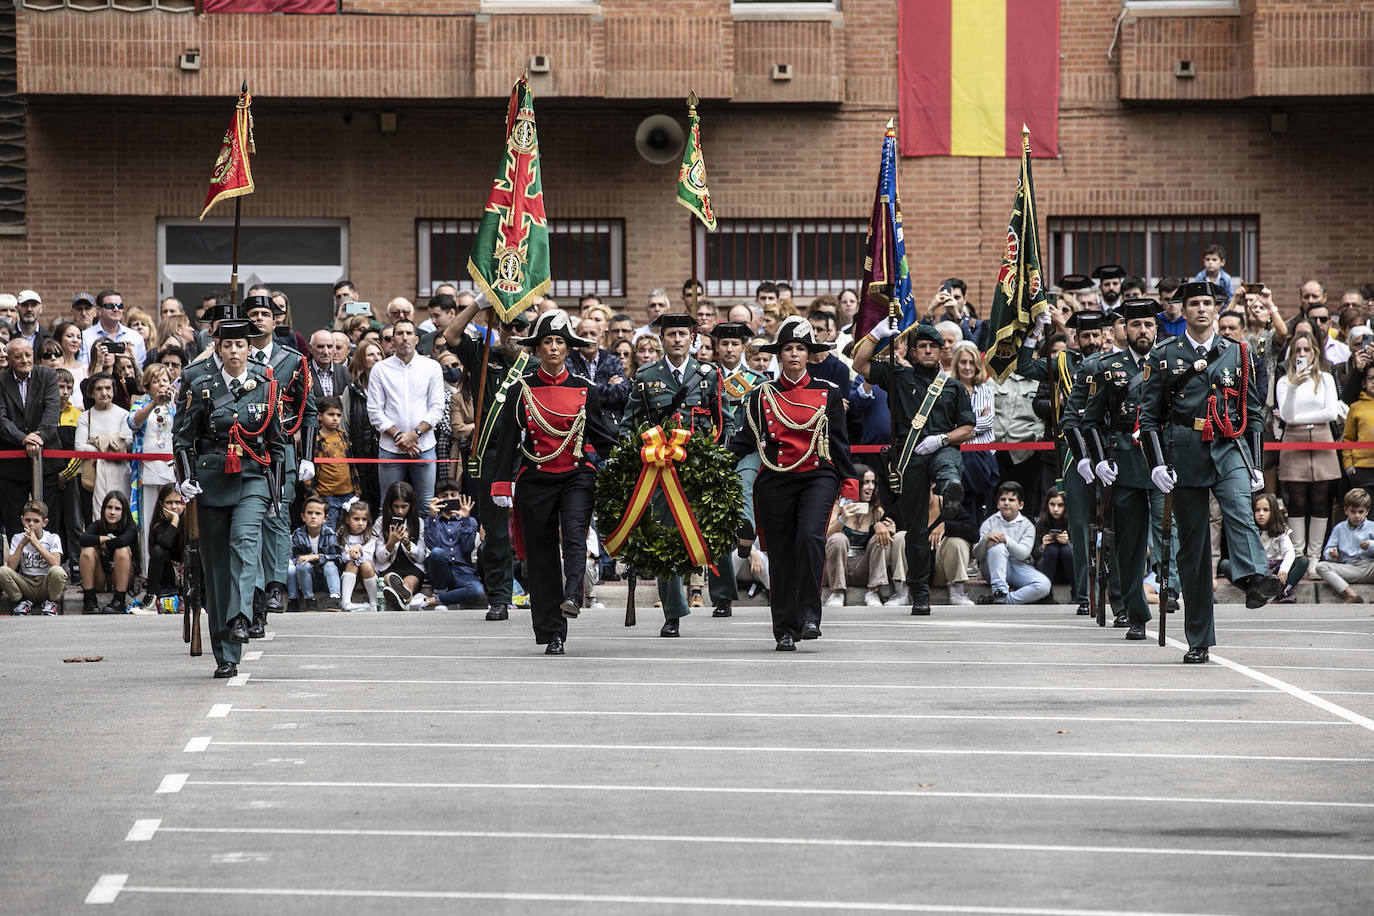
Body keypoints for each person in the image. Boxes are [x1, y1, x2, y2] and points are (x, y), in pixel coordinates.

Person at [1140, 281, 1281, 664]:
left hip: (1228, 444)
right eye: (1194, 303)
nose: (1202, 309)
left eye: (1208, 303)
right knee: (1194, 548)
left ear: (1217, 309)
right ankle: (1199, 638)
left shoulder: (1238, 352)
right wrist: (1157, 465)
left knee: (1239, 507)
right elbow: (1149, 416)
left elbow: (1253, 413)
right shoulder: (1165, 353)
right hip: (1183, 450)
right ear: (1182, 310)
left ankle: (1253, 579)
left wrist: (1254, 461)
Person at [490, 310, 617, 654]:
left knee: (576, 535)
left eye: (560, 341)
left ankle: (574, 593)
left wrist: (615, 463)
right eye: (547, 341)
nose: (554, 348)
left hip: (576, 475)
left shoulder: (584, 390)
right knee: (541, 556)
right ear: (537, 348)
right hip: (535, 478)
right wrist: (501, 483)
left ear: (568, 347)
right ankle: (552, 633)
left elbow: (605, 436)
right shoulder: (521, 390)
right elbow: (506, 441)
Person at [729, 316, 858, 650]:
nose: (795, 354)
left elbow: (840, 443)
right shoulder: (761, 395)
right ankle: (785, 628)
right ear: (780, 354)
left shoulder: (828, 392)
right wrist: (713, 466)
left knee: (810, 537)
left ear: (809, 353)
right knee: (782, 554)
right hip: (776, 478)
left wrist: (849, 484)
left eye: (801, 348)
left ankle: (809, 616)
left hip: (818, 474)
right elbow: (744, 441)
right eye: (788, 348)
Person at [172, 315, 288, 679]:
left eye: (240, 345)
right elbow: (182, 437)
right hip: (211, 479)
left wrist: (278, 490)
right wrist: (185, 478)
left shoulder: (266, 385)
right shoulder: (200, 383)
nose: (235, 351)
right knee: (217, 568)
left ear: (249, 348)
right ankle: (226, 652)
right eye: (227, 345)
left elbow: (277, 443)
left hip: (252, 477)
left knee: (244, 541)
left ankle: (241, 616)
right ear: (218, 349)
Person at [852, 322, 973, 616]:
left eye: (934, 346)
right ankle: (920, 594)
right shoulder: (899, 377)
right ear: (913, 351)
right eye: (923, 346)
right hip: (909, 458)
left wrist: (942, 438)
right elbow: (859, 363)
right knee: (916, 532)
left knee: (947, 460)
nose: (929, 350)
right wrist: (878, 334)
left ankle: (949, 490)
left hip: (940, 446)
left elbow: (968, 428)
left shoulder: (953, 387)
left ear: (942, 350)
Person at [618, 312, 725, 634]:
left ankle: (721, 594)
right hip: (660, 468)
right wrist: (631, 455)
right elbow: (630, 421)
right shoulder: (646, 375)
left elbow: (723, 420)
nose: (677, 340)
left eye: (683, 334)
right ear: (661, 339)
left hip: (698, 466)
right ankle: (673, 614)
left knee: (703, 531)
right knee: (665, 538)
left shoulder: (709, 374)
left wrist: (718, 455)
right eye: (671, 335)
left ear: (693, 338)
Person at [442, 300, 534, 623]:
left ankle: (540, 591)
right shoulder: (484, 357)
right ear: (497, 327)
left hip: (530, 455)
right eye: (507, 325)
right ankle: (499, 597)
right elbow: (451, 334)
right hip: (492, 456)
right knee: (494, 532)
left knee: (535, 528)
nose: (512, 332)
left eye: (519, 326)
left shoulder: (536, 366)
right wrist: (479, 305)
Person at [1074, 298, 1161, 638]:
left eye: (1149, 324)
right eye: (1136, 325)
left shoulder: (1172, 361)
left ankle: (1172, 592)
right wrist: (1098, 460)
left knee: (1172, 535)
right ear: (1125, 329)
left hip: (1164, 461)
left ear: (1157, 327)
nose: (1143, 330)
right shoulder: (1108, 367)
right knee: (1129, 543)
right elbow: (1091, 420)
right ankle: (1134, 612)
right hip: (1125, 459)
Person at [243, 294, 317, 633]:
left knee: (277, 520)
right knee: (249, 528)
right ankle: (255, 600)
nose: (259, 319)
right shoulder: (234, 359)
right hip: (244, 452)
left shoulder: (294, 360)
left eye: (265, 314)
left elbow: (310, 411)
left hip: (281, 452)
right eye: (253, 314)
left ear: (276, 321)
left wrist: (308, 458)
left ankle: (274, 586)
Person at [1275, 330, 1342, 561]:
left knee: (1321, 498)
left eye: (1306, 349)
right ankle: (1297, 555)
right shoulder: (1284, 381)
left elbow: (1331, 412)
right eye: (1298, 350)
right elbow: (1287, 415)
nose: (1302, 354)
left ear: (1315, 353)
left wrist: (1305, 417)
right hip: (1294, 439)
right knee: (1297, 499)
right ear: (1292, 353)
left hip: (1322, 438)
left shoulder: (1326, 378)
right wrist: (1294, 387)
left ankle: (1314, 557)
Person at [368, 318, 445, 516]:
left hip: (424, 445)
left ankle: (425, 547)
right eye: (400, 334)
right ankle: (388, 546)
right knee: (388, 502)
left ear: (416, 339)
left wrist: (415, 434)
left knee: (427, 504)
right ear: (392, 340)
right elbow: (375, 412)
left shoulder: (432, 367)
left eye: (408, 333)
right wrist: (399, 436)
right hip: (390, 447)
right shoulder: (380, 369)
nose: (404, 338)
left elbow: (437, 408)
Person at [0, 338, 61, 539]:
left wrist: (38, 438)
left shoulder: (48, 376)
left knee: (48, 516)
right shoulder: (1, 380)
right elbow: (1, 419)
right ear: (9, 359)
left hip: (46, 460)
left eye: (28, 355)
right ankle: (18, 565)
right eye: (18, 356)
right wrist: (23, 439)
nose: (24, 360)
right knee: (13, 518)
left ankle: (51, 562)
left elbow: (52, 413)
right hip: (13, 463)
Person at [126, 363, 177, 574]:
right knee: (148, 523)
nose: (161, 384)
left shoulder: (177, 404)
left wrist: (174, 401)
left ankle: (173, 572)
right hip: (146, 470)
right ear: (148, 385)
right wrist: (154, 403)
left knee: (173, 519)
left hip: (171, 470)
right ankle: (149, 573)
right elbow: (133, 423)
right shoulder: (140, 403)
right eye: (156, 381)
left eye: (164, 380)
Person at [823, 464, 896, 607]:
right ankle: (837, 592)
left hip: (861, 568)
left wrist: (888, 531)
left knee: (879, 539)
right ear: (855, 484)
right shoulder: (838, 506)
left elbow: (885, 538)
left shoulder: (876, 510)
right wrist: (842, 519)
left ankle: (873, 592)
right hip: (837, 567)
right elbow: (827, 537)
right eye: (866, 482)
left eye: (873, 482)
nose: (870, 487)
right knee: (838, 538)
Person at [972, 481, 1051, 605]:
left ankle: (1005, 600)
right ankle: (1000, 591)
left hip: (1018, 566)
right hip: (992, 569)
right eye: (1003, 499)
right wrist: (986, 539)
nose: (1006, 503)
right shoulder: (989, 523)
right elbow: (977, 555)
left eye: (1011, 500)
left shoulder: (1027, 526)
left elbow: (1023, 554)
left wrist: (1006, 540)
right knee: (997, 548)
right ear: (998, 504)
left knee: (1044, 585)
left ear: (1020, 505)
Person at [1219, 492, 1305, 604]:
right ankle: (1254, 592)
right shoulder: (1248, 531)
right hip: (1255, 570)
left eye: (1265, 510)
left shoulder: (1281, 531)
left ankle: (1283, 591)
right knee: (1225, 564)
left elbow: (1289, 552)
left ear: (1273, 511)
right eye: (1257, 510)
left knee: (1302, 561)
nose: (1261, 514)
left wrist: (1284, 569)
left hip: (1276, 570)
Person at [421, 482, 484, 610]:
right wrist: (433, 517)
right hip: (440, 571)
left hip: (463, 572)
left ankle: (435, 600)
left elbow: (467, 548)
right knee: (437, 553)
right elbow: (433, 547)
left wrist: (465, 518)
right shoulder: (431, 520)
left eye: (453, 495)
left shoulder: (469, 521)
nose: (449, 498)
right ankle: (440, 591)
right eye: (444, 495)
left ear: (459, 497)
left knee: (477, 590)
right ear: (437, 498)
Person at [75, 373, 130, 517]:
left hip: (119, 472)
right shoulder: (85, 416)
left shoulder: (124, 415)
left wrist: (96, 440)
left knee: (121, 513)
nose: (104, 393)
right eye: (99, 389)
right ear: (92, 393)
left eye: (108, 388)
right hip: (93, 474)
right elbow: (80, 447)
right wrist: (112, 444)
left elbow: (127, 443)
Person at [0, 499, 66, 616]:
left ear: (44, 522)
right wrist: (22, 544)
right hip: (26, 583)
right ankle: (21, 603)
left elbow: (56, 563)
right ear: (22, 520)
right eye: (28, 520)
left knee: (58, 571)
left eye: (36, 521)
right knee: (2, 571)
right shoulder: (17, 538)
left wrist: (36, 544)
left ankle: (51, 603)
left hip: (46, 583)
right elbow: (11, 567)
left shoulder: (53, 538)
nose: (31, 524)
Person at [77, 490, 138, 615]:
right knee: (87, 551)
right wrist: (103, 539)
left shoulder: (130, 527)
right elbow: (82, 539)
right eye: (109, 507)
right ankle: (89, 600)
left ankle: (119, 601)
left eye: (117, 509)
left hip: (123, 579)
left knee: (122, 550)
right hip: (101, 579)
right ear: (104, 509)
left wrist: (104, 543)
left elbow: (122, 541)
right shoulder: (97, 525)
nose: (112, 512)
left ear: (124, 511)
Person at [341, 338, 383, 515]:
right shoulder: (352, 390)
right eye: (371, 354)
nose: (376, 358)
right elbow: (343, 426)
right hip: (359, 455)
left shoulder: (392, 386)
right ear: (361, 359)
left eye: (379, 353)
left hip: (385, 454)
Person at [374, 480, 428, 611]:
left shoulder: (418, 522)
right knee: (390, 577)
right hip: (388, 565)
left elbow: (421, 557)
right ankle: (405, 601)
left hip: (412, 565)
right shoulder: (381, 523)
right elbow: (380, 558)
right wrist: (390, 543)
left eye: (404, 506)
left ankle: (400, 598)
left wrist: (407, 543)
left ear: (411, 505)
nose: (399, 511)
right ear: (389, 505)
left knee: (407, 586)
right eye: (396, 506)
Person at [1314, 487, 1374, 603]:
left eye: (1360, 512)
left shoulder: (1372, 527)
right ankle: (1352, 594)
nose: (1357, 516)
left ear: (1367, 511)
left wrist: (1371, 545)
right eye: (1353, 512)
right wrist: (1332, 553)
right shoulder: (1339, 528)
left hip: (1370, 567)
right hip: (1350, 568)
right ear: (1346, 511)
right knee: (1321, 566)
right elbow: (1328, 552)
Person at [288, 494, 343, 612]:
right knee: (302, 564)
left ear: (325, 518)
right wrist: (304, 559)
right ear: (303, 516)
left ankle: (335, 599)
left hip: (325, 577)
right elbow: (295, 558)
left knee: (330, 564)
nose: (313, 516)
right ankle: (309, 599)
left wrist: (317, 557)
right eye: (309, 513)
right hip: (307, 577)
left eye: (318, 514)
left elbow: (339, 558)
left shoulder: (330, 534)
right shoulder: (298, 535)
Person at [312, 396, 359, 529]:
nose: (335, 418)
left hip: (348, 494)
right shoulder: (316, 439)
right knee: (329, 530)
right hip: (326, 495)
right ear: (319, 416)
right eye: (331, 414)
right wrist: (312, 493)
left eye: (338, 415)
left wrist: (357, 490)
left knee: (347, 530)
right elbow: (310, 470)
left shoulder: (343, 436)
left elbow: (351, 465)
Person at [138, 483, 184, 613]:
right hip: (169, 576)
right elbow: (165, 543)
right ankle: (150, 599)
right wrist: (174, 521)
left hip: (188, 574)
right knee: (159, 550)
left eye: (178, 502)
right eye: (169, 502)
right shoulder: (159, 525)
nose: (174, 507)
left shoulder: (191, 523)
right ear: (161, 504)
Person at [337, 499, 379, 612]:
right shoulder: (341, 534)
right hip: (348, 571)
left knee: (365, 564)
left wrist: (359, 549)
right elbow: (341, 556)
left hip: (368, 572)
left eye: (364, 519)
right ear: (347, 519)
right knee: (352, 563)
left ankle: (374, 603)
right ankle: (346, 602)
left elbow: (370, 556)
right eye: (356, 519)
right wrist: (351, 555)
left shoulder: (371, 536)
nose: (360, 523)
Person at [1342, 363, 1374, 492]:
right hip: (1362, 469)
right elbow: (1347, 440)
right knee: (1365, 511)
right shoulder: (1356, 407)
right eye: (1371, 378)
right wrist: (1349, 466)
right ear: (1364, 383)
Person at [1035, 489, 1073, 588]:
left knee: (1066, 551)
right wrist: (1043, 546)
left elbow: (1082, 555)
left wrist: (1068, 543)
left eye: (1060, 505)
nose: (1056, 509)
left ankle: (1076, 593)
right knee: (1052, 549)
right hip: (1046, 571)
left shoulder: (1073, 523)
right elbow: (1033, 556)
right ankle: (1046, 594)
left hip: (1069, 572)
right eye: (1052, 504)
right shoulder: (1040, 523)